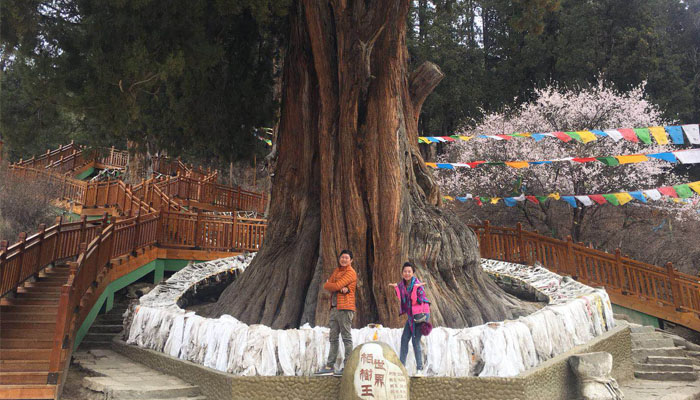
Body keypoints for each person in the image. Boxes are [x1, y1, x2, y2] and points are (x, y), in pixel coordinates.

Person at [314, 249, 357, 376]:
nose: (344, 259)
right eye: (342, 257)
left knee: (346, 337)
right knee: (333, 338)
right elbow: (326, 286)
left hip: (345, 308)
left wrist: (333, 285)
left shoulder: (351, 273)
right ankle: (329, 366)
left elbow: (335, 285)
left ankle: (348, 366)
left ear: (351, 260)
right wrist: (334, 285)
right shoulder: (337, 270)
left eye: (346, 258)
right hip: (334, 307)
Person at [389, 261, 430, 376]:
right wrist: (397, 288)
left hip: (421, 315)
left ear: (413, 273)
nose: (407, 273)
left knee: (415, 340)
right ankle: (401, 367)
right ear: (402, 273)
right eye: (405, 271)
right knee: (404, 339)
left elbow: (416, 300)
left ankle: (420, 369)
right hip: (412, 316)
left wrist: (415, 290)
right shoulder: (402, 285)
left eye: (409, 271)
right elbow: (401, 297)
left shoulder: (417, 285)